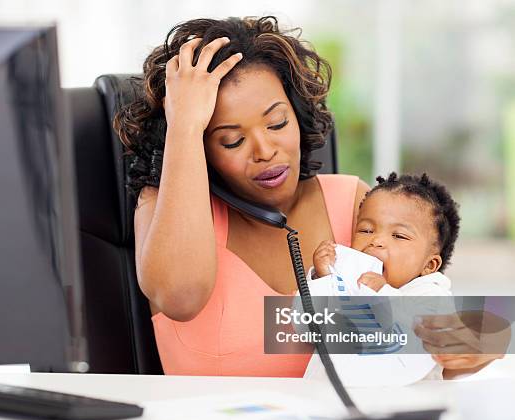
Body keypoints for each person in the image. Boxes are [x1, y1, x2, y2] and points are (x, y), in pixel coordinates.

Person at [114, 16, 502, 377]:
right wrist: (182, 124)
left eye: (278, 122)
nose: (264, 150)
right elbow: (179, 297)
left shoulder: (357, 206)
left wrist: (477, 347)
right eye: (231, 140)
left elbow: (421, 337)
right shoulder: (164, 206)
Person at [311, 172, 458, 296]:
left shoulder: (431, 293)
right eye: (366, 230)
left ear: (429, 265)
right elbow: (319, 320)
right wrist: (325, 277)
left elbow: (411, 325)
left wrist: (383, 294)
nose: (376, 240)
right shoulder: (347, 277)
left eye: (399, 235)